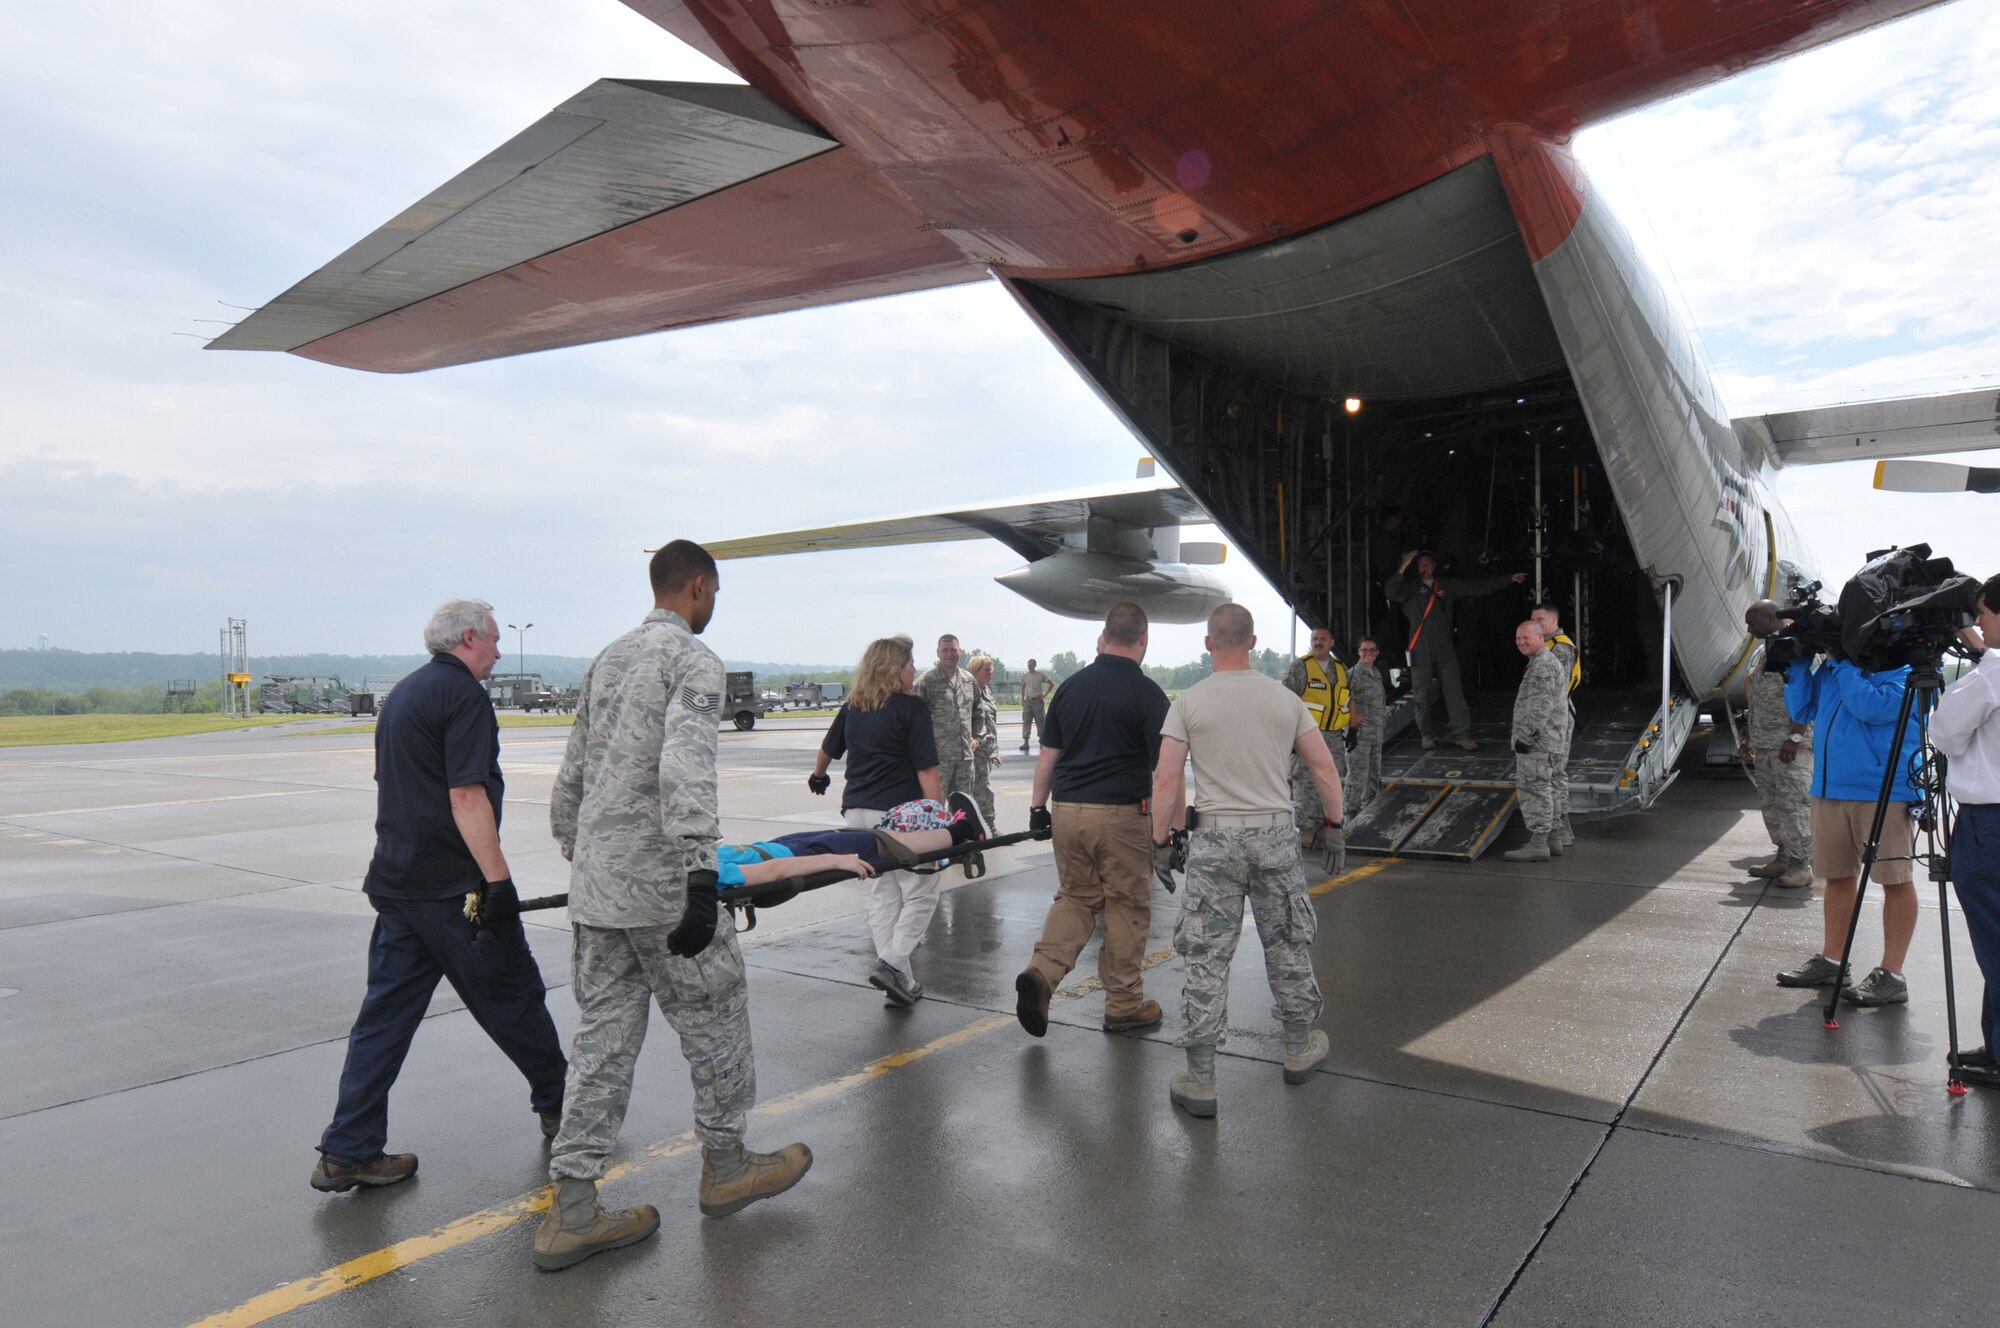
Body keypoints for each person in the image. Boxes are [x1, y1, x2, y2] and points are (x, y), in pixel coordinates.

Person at [536, 542, 809, 1273]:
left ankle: (574, 1210)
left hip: (599, 892)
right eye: (713, 593)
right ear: (699, 587)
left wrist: (588, 858)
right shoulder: (693, 659)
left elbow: (571, 780)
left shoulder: (607, 659)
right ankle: (726, 1167)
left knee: (601, 1044)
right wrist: (697, 873)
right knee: (715, 1015)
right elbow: (685, 764)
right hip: (663, 889)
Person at [312, 599, 567, 1195]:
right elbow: (465, 796)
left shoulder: (403, 694)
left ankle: (348, 1149)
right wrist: (498, 882)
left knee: (384, 1020)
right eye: (495, 641)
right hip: (454, 891)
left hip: (398, 884)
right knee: (515, 998)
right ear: (469, 637)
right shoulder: (463, 697)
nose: (500, 652)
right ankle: (565, 1108)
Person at [1153, 603, 1343, 1117]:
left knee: (1206, 953)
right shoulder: (1286, 700)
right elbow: (1324, 769)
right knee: (1287, 941)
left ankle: (1200, 1077)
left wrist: (1162, 841)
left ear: (1209, 644)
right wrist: (1335, 827)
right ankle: (1299, 1048)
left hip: (1214, 842)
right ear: (1254, 643)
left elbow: (1167, 780)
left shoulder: (1188, 702)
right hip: (1277, 838)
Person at [1014, 603, 1172, 1038]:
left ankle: (1042, 973)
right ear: (1143, 640)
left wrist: (1035, 809)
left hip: (1066, 811)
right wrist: (1166, 834)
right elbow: (1165, 774)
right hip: (1122, 817)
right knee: (1126, 904)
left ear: (1105, 635)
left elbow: (1048, 756)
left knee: (1075, 897)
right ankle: (1123, 1006)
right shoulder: (1149, 695)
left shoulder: (1070, 688)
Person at [1773, 651, 1922, 1006]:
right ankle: (1832, 961)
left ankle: (1893, 974)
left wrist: (1842, 665)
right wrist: (1795, 663)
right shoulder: (1832, 669)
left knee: (1895, 880)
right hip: (1830, 786)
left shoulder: (1906, 669)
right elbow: (1801, 711)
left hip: (1883, 791)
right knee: (1837, 877)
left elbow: (1870, 707)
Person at [810, 636, 943, 1006]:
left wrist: (819, 776)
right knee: (921, 891)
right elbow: (927, 771)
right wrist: (940, 824)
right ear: (893, 668)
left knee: (879, 896)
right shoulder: (911, 709)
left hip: (857, 814)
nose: (914, 668)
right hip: (899, 816)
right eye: (910, 662)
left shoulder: (854, 706)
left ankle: (901, 982)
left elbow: (828, 749)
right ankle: (891, 963)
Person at [1933, 575, 2000, 1086]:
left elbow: (1944, 734)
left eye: (1983, 613)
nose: (1977, 623)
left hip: (1988, 824)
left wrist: (1981, 659)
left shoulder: (1990, 675)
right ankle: (1995, 1046)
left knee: (1994, 942)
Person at [1382, 550, 1526, 750]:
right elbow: (1390, 591)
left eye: (1428, 563)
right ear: (1416, 567)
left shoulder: (1445, 585)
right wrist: (1402, 566)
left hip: (1444, 647)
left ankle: (1462, 735)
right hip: (1418, 647)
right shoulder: (1410, 589)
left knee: (1454, 692)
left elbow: (1476, 587)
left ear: (1434, 565)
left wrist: (1508, 579)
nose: (1425, 567)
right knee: (1420, 694)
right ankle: (1427, 735)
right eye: (1421, 563)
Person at [716, 795, 989, 889]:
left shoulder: (685, 861)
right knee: (884, 842)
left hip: (777, 846)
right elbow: (776, 871)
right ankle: (963, 830)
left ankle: (951, 829)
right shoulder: (703, 874)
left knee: (876, 837)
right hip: (796, 854)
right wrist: (837, 861)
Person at [1738, 600, 1813, 888]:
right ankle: (1784, 856)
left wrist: (1795, 737)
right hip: (1766, 743)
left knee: (1794, 804)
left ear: (1773, 618)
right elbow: (1756, 697)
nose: (1749, 629)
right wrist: (1749, 736)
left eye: (1752, 622)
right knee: (1772, 805)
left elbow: (1808, 695)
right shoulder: (1763, 651)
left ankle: (1801, 865)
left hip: (1789, 745)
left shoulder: (1798, 648)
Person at [1502, 621, 1568, 863]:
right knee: (1546, 788)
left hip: (1537, 743)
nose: (1520, 642)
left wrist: (1525, 736)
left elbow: (1540, 707)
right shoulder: (1543, 662)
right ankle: (1552, 840)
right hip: (1547, 741)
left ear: (1540, 638)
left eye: (1525, 638)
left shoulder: (1542, 666)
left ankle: (1539, 843)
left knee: (1535, 790)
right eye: (1518, 638)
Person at [1282, 627, 1350, 850]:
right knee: (1305, 781)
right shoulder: (1300, 667)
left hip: (1333, 737)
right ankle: (1306, 830)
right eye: (1314, 639)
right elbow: (1286, 701)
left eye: (1322, 639)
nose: (1317, 642)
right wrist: (1290, 736)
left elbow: (1346, 701)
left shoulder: (1341, 669)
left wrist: (1353, 729)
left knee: (1333, 780)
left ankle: (1326, 828)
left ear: (1331, 642)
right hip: (1306, 735)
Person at [1529, 601, 1580, 853]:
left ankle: (1558, 832)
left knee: (1553, 775)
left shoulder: (1559, 649)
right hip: (1557, 716)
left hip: (1555, 719)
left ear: (1553, 620)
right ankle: (1563, 831)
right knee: (1557, 775)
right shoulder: (1549, 647)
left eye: (1539, 619)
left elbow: (1551, 691)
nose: (1535, 624)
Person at [917, 634, 977, 803]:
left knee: (965, 807)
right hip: (938, 759)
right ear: (938, 652)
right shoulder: (926, 681)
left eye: (953, 650)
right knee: (935, 806)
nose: (949, 654)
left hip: (965, 758)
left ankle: (962, 831)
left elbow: (979, 710)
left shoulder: (968, 680)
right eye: (945, 650)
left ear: (960, 652)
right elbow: (913, 716)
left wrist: (976, 736)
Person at [1347, 637, 1388, 815]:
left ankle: (1370, 805)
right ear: (1359, 652)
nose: (1368, 654)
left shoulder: (1376, 672)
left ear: (1377, 652)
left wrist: (1382, 717)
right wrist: (1353, 716)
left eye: (1372, 650)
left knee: (1374, 771)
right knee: (1357, 773)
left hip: (1376, 731)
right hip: (1360, 733)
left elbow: (1380, 698)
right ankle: (1350, 809)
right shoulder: (1353, 674)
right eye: (1364, 650)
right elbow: (1342, 699)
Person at [967, 654, 1001, 829]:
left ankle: (984, 826)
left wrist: (994, 751)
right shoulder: (969, 692)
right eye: (986, 670)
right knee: (981, 790)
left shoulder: (986, 691)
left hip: (986, 751)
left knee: (982, 790)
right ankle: (988, 827)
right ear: (975, 670)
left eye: (991, 670)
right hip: (974, 751)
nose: (990, 674)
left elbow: (991, 725)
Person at [1019, 657, 1053, 752]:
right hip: (1028, 701)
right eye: (1028, 665)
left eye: (1031, 665)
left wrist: (1044, 695)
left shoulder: (1040, 675)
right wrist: (1022, 699)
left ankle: (1042, 742)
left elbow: (1051, 684)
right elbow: (1022, 688)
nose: (1029, 667)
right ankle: (1026, 743)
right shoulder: (1025, 676)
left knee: (1040, 722)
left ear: (1034, 665)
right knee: (1026, 721)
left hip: (1038, 701)